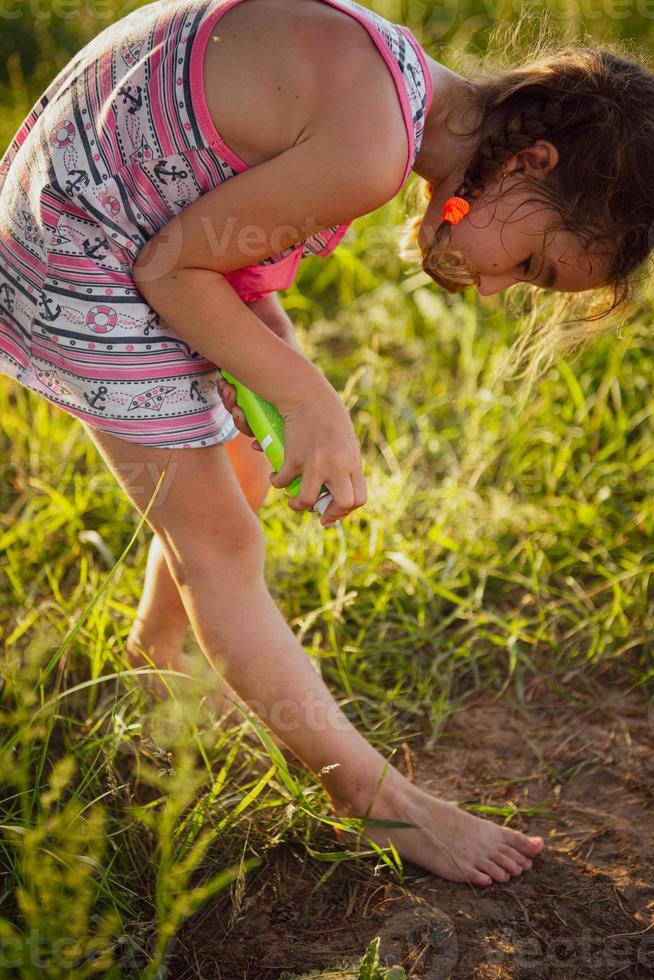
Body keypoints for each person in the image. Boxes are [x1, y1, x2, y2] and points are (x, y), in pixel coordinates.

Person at [4, 0, 651, 886]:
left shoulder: (404, 83)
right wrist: (309, 397)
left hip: (94, 204)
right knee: (221, 545)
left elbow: (201, 197)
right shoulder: (373, 152)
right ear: (531, 162)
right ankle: (378, 803)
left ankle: (159, 657)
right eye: (532, 265)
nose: (496, 289)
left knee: (236, 465)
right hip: (81, 250)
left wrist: (274, 359)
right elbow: (167, 265)